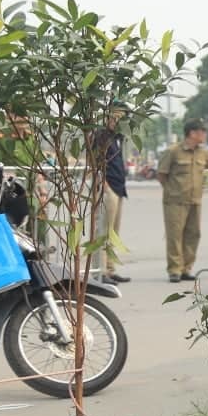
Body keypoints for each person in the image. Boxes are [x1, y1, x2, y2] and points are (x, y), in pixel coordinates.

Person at [157, 118, 208, 282]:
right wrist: (172, 190)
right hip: (175, 201)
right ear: (192, 133)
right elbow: (162, 174)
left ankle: (186, 268)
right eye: (203, 131)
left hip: (195, 200)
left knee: (193, 235)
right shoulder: (173, 151)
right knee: (175, 235)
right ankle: (174, 270)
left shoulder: (203, 152)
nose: (205, 134)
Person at [93, 104, 129, 283]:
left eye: (121, 118)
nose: (117, 121)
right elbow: (95, 162)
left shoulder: (119, 137)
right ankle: (100, 271)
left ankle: (110, 269)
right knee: (103, 233)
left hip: (119, 187)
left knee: (114, 233)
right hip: (108, 188)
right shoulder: (101, 136)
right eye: (114, 117)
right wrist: (103, 185)